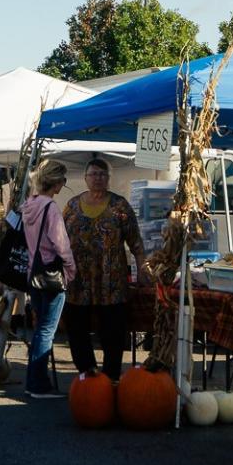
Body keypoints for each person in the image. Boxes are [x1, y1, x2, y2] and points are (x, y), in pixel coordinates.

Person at [61, 155, 144, 380]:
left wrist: (142, 269)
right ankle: (87, 371)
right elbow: (60, 239)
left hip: (111, 282)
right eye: (93, 174)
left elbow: (135, 242)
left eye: (102, 174)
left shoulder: (120, 206)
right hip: (78, 281)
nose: (97, 178)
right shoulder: (72, 206)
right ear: (86, 178)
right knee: (77, 328)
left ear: (108, 178)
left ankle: (111, 376)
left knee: (113, 332)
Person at [20, 158, 76, 399]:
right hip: (51, 273)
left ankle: (32, 380)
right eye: (62, 180)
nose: (63, 184)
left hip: (33, 271)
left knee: (40, 327)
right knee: (46, 330)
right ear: (55, 182)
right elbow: (61, 244)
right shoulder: (50, 207)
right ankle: (38, 384)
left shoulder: (29, 204)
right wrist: (71, 269)